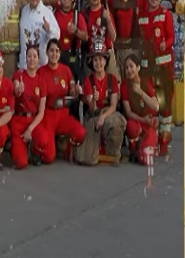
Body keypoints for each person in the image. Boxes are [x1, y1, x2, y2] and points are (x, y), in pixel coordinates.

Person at [137, 0, 175, 158]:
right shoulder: (142, 17)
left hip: (163, 67)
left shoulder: (165, 15)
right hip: (147, 68)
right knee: (151, 103)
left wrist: (164, 45)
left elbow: (171, 37)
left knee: (165, 104)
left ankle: (164, 142)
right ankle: (152, 139)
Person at [75, 38, 126, 166]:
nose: (98, 63)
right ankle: (99, 149)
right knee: (87, 159)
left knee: (114, 122)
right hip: (93, 117)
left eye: (101, 59)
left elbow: (114, 105)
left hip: (108, 114)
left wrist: (103, 117)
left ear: (106, 60)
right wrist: (92, 100)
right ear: (92, 62)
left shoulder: (112, 79)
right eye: (95, 59)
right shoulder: (88, 81)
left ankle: (113, 154)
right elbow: (91, 108)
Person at [39, 38, 86, 161]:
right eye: (51, 51)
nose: (54, 54)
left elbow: (71, 90)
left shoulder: (66, 70)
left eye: (57, 51)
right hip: (47, 115)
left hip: (63, 114)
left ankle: (66, 145)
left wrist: (76, 90)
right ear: (47, 52)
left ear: (60, 53)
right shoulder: (41, 72)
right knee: (49, 157)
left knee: (80, 133)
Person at [9, 43, 53, 168]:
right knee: (21, 163)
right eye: (29, 56)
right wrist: (19, 90)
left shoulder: (41, 81)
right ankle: (18, 150)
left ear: (38, 59)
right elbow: (16, 90)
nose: (32, 59)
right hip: (19, 120)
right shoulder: (19, 75)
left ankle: (34, 152)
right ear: (25, 58)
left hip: (33, 120)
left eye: (34, 56)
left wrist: (30, 129)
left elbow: (41, 112)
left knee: (44, 140)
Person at [120, 53, 159, 166]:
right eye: (126, 67)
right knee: (131, 126)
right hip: (138, 122)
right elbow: (128, 112)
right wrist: (143, 120)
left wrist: (140, 92)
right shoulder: (124, 86)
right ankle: (134, 150)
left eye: (131, 66)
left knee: (145, 160)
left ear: (137, 67)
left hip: (150, 124)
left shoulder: (146, 82)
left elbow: (156, 106)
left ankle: (149, 144)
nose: (129, 70)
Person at [18, 0, 59, 69]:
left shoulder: (47, 12)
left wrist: (49, 29)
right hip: (25, 65)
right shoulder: (24, 11)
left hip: (41, 66)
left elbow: (57, 35)